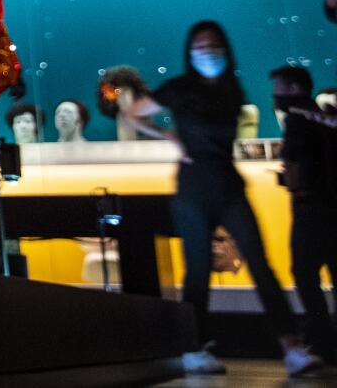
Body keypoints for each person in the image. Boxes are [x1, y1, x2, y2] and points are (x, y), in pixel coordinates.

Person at [120, 22, 325, 377]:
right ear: (189, 50)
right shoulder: (179, 87)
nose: (207, 51)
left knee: (260, 262)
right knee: (197, 269)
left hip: (228, 183)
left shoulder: (232, 88)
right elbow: (132, 112)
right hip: (193, 185)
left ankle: (291, 347)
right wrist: (170, 136)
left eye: (213, 45)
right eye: (200, 45)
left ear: (224, 49)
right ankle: (194, 348)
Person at [272, 64, 336, 360]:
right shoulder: (324, 116)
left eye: (279, 88)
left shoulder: (296, 118)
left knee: (304, 273)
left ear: (295, 88)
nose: (275, 95)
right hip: (331, 205)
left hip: (309, 207)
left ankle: (322, 339)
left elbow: (294, 166)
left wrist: (287, 179)